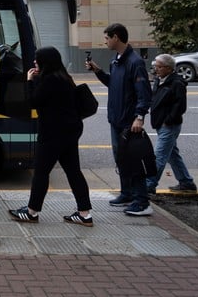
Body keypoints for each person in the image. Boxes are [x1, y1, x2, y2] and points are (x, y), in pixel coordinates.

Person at [9, 47, 93, 226]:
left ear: (45, 61)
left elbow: (33, 101)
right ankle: (85, 213)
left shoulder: (49, 81)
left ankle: (31, 212)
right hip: (70, 131)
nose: (34, 62)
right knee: (73, 171)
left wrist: (30, 80)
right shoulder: (63, 77)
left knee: (41, 172)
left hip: (53, 133)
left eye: (37, 59)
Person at [86, 22, 153, 216]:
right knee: (121, 159)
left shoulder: (135, 62)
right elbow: (113, 84)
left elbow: (144, 93)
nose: (105, 41)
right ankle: (127, 193)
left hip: (129, 122)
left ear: (116, 37)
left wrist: (139, 117)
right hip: (116, 119)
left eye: (107, 37)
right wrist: (98, 71)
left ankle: (142, 202)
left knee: (133, 160)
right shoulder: (116, 60)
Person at [146, 54, 197, 194]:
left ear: (168, 68)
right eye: (155, 66)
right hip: (159, 123)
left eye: (159, 67)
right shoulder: (159, 80)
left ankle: (149, 185)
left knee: (159, 156)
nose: (156, 69)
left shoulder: (177, 83)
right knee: (172, 154)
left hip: (169, 125)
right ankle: (186, 182)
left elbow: (181, 106)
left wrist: (167, 121)